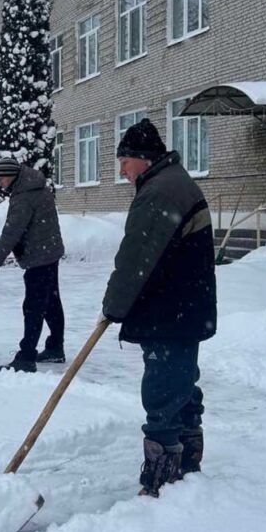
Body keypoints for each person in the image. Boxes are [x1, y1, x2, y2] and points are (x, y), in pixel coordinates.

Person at [101, 118, 216, 497]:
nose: (121, 170)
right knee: (180, 382)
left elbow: (135, 257)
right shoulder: (171, 182)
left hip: (170, 308)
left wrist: (113, 307)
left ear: (143, 158)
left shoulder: (160, 192)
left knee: (164, 388)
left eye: (124, 161)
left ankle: (162, 478)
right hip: (182, 306)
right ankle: (186, 465)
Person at [0, 157, 65, 372]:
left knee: (34, 306)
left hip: (39, 257)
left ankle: (26, 357)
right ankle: (55, 348)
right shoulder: (36, 185)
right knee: (50, 302)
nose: (0, 182)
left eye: (2, 177)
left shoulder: (23, 196)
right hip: (49, 252)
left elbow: (11, 231)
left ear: (12, 176)